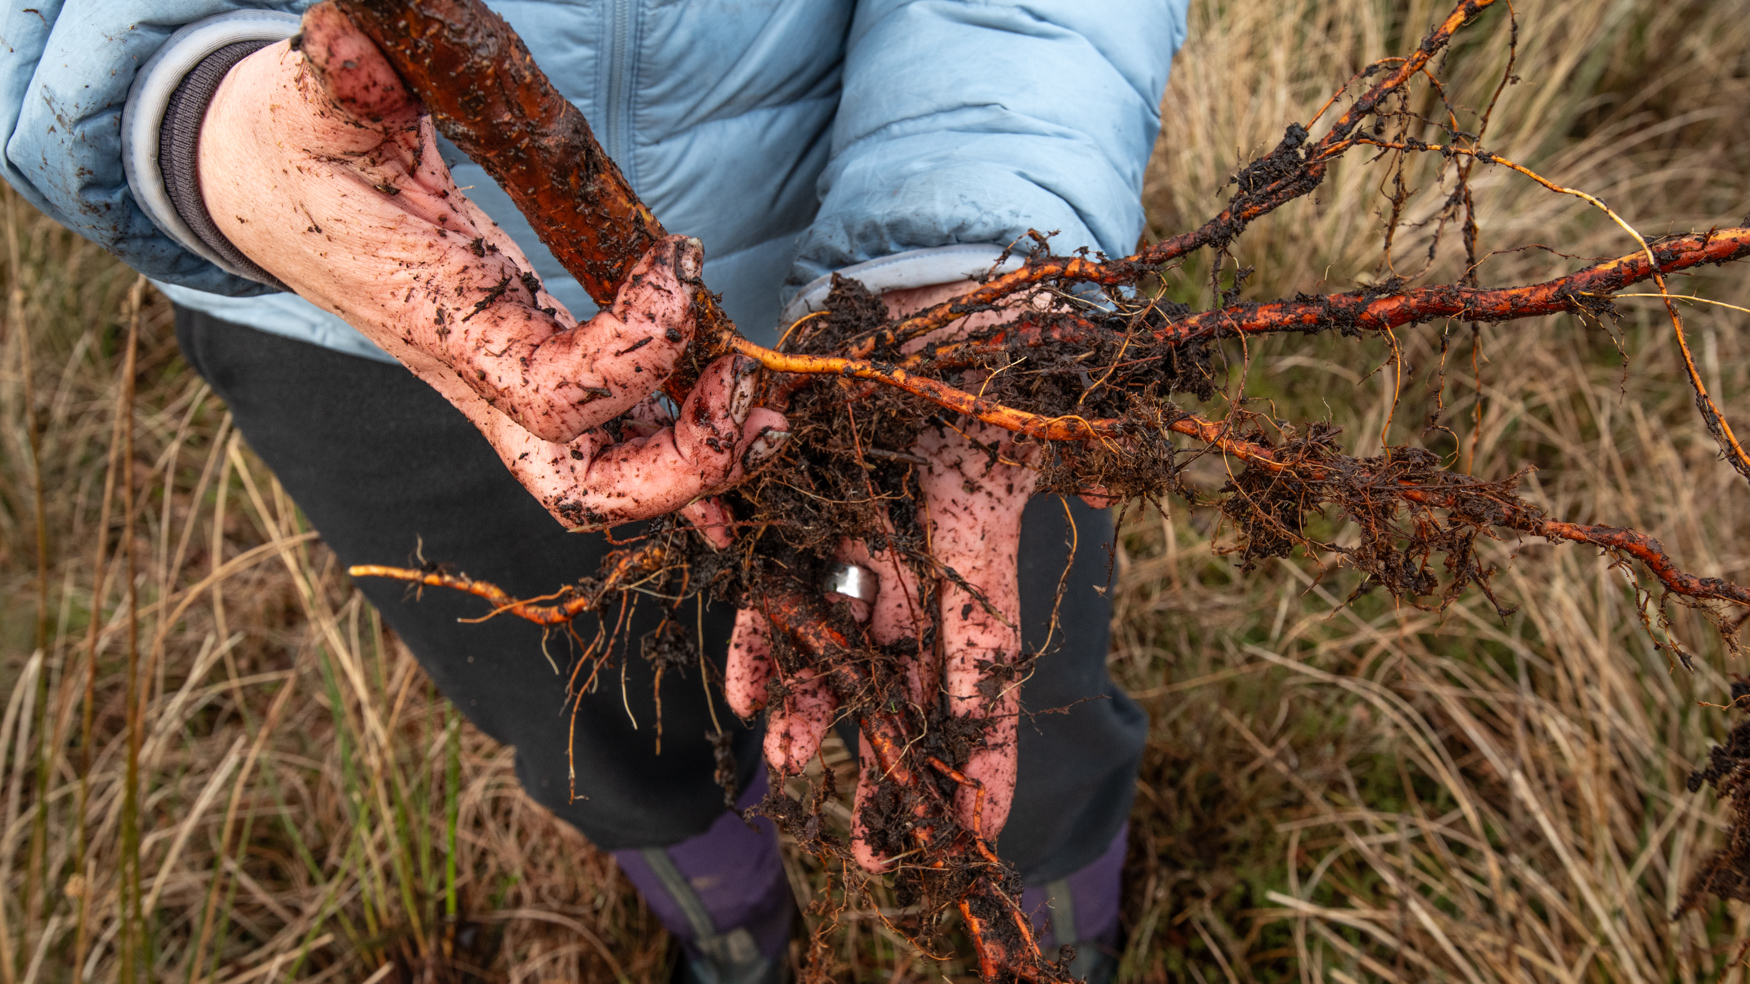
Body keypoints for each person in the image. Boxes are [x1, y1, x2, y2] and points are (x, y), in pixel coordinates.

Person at [0, 2, 1188, 981]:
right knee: (601, 722)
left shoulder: (947, 315)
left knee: (1008, 688)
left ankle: (1050, 938)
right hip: (335, 293)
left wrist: (965, 251)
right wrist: (185, 106)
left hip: (877, 282)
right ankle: (731, 937)